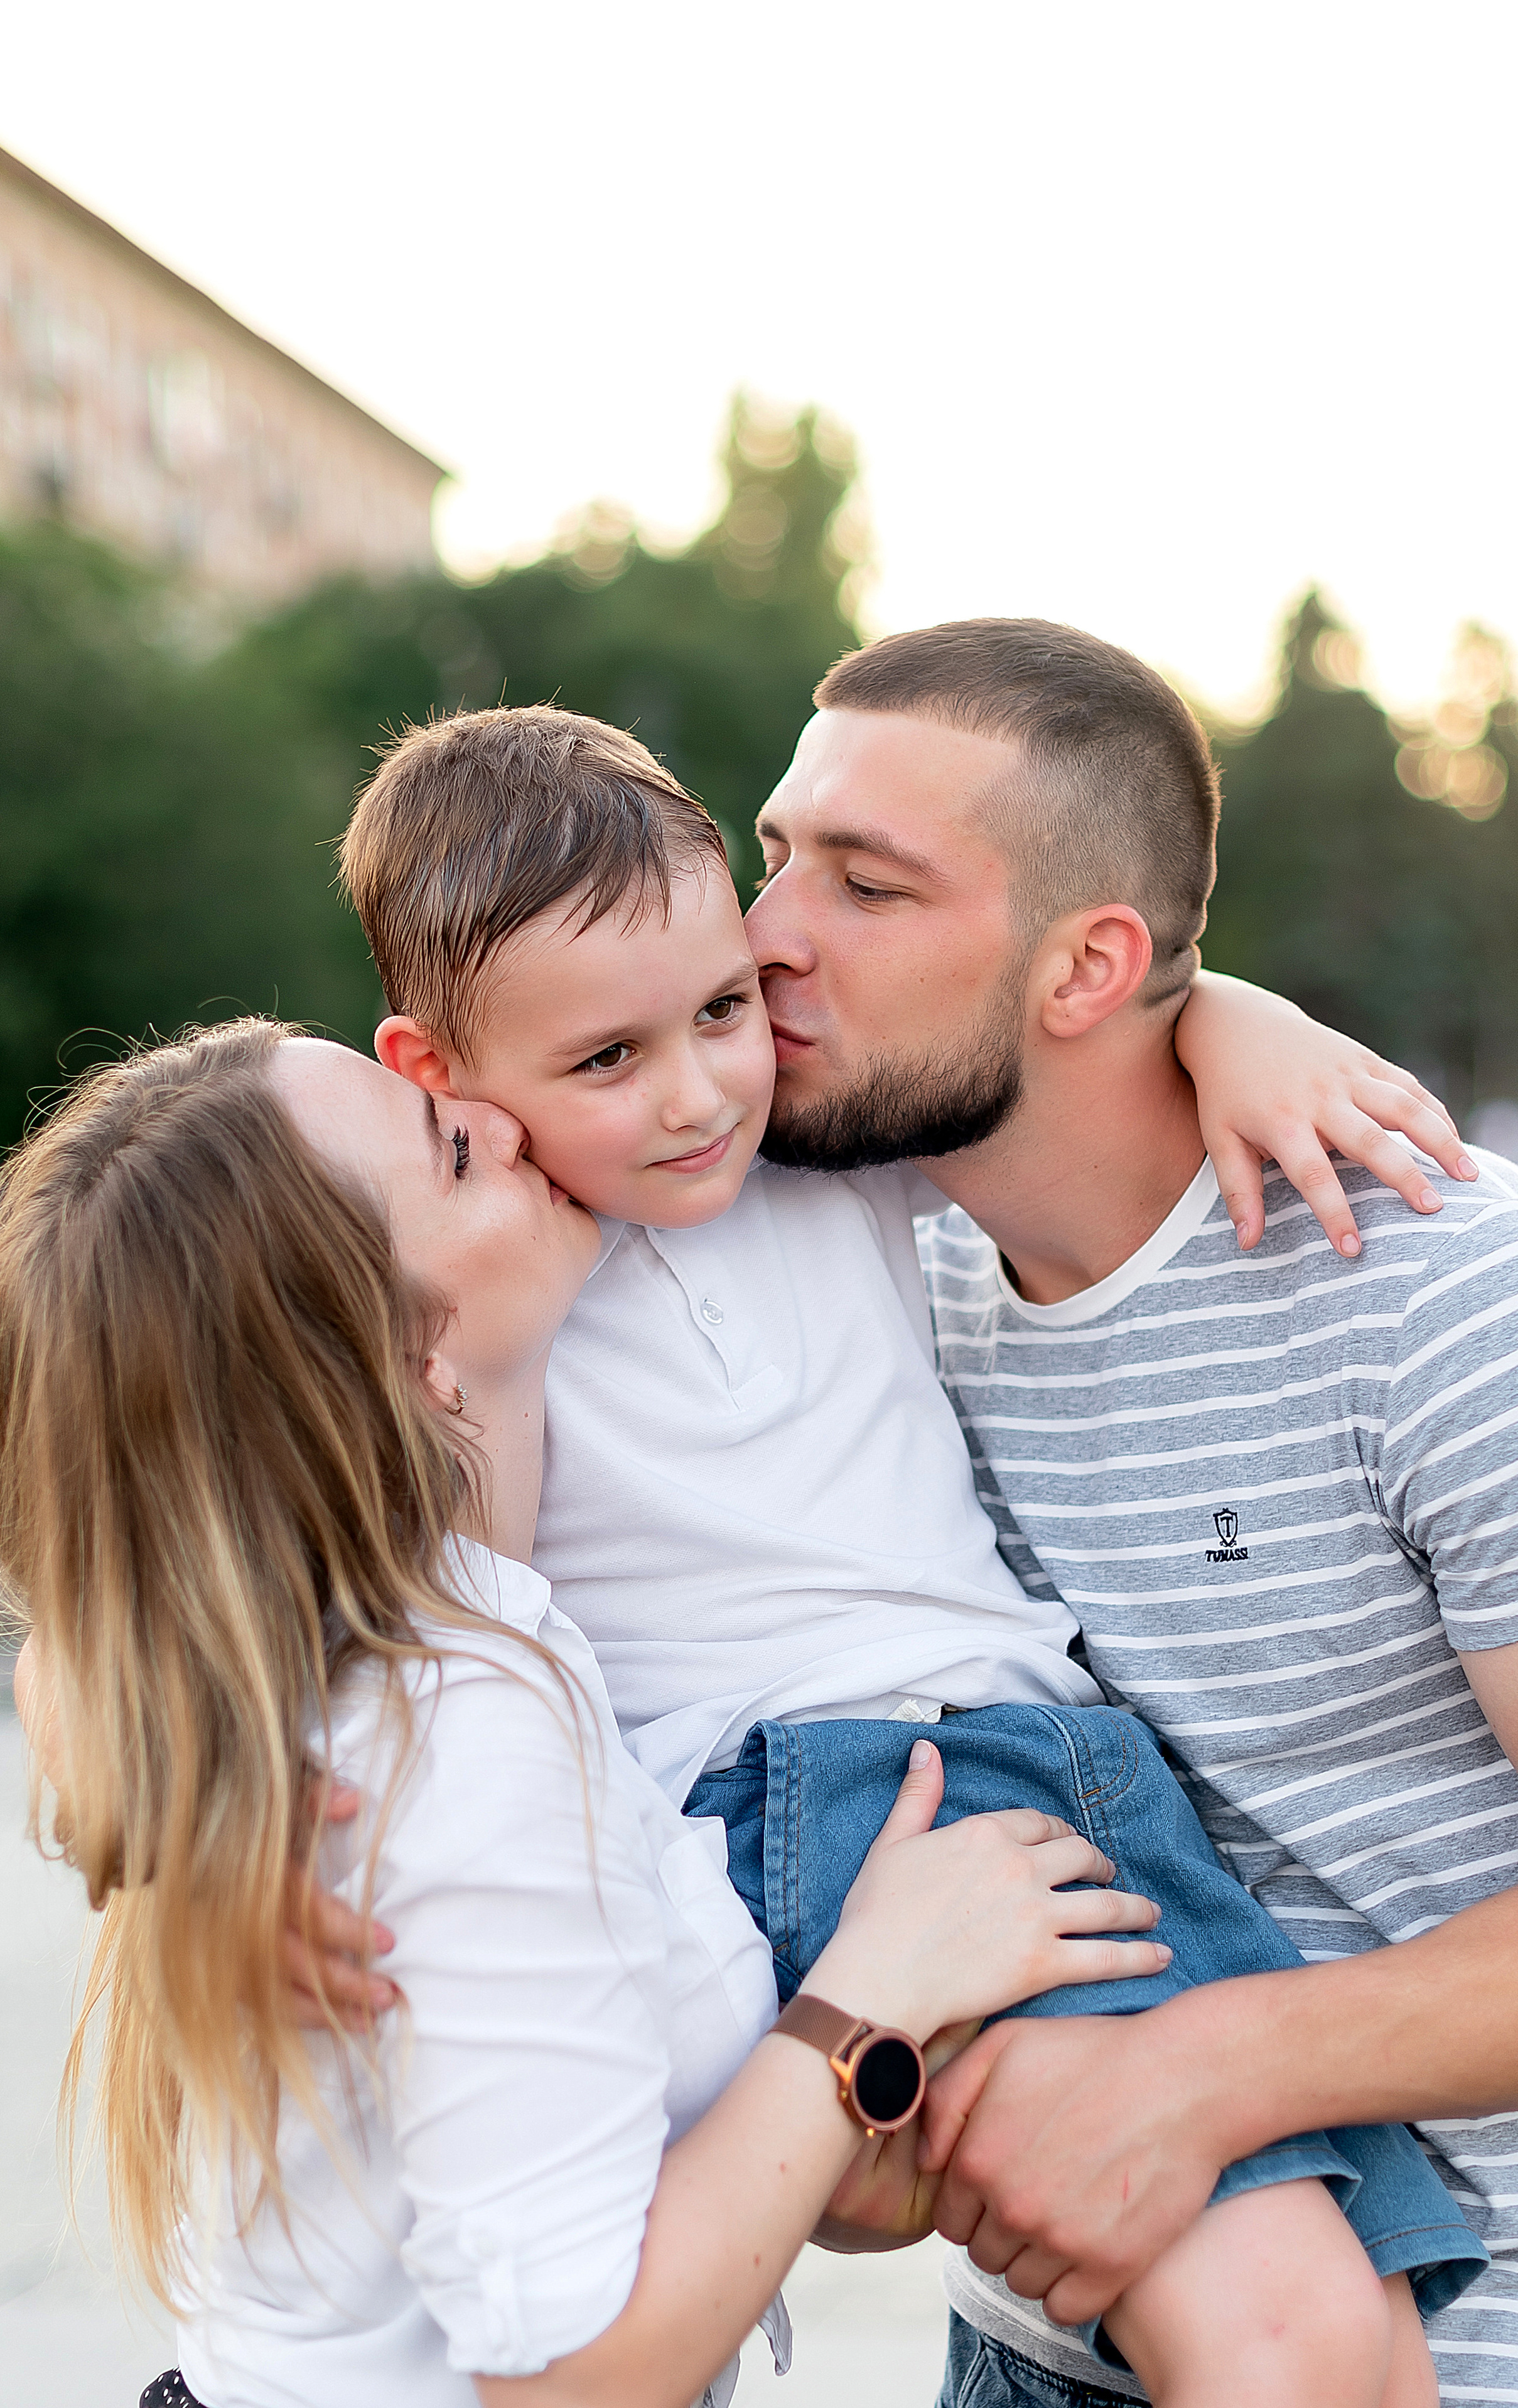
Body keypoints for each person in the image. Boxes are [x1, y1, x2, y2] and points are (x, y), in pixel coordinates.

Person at [315, 705, 1483, 2400]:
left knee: (1362, 2343)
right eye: (603, 1062)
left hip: (1059, 1774)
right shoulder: (467, 1276)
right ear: (434, 1074)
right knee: (1284, 2337)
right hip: (839, 1806)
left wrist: (1237, 1015)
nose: (697, 1091)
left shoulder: (819, 1160)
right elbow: (201, 1543)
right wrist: (198, 1798)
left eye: (721, 1007)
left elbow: (1064, 1039)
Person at [0, 1017, 1172, 2408]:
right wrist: (869, 1997)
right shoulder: (453, 1728)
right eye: (454, 1148)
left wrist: (1228, 1033)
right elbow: (572, 2381)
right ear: (406, 1355)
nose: (512, 1121)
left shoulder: (355, 1648)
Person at [734, 617, 1518, 2405]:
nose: (765, 931)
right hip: (1033, 2342)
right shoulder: (870, 1297)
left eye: (865, 883)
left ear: (1087, 964)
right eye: (774, 855)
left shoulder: (1442, 1296)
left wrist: (1201, 2070)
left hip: (1434, 2351)